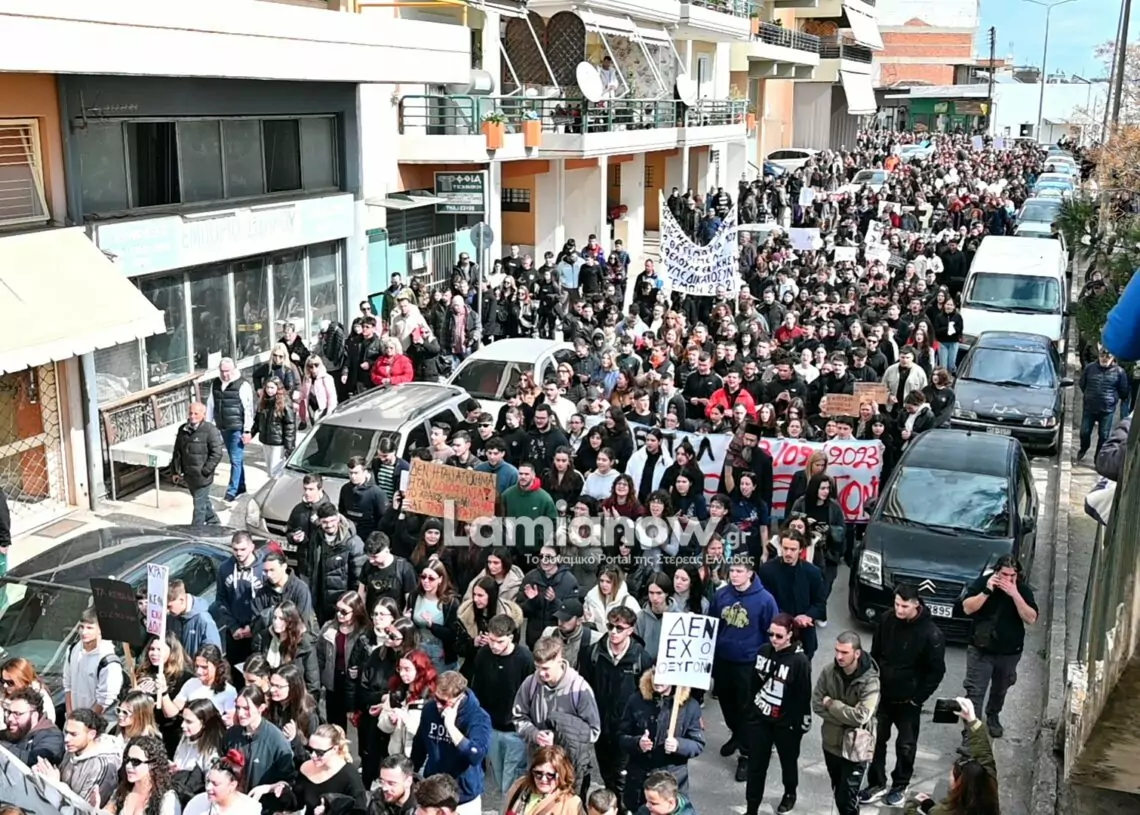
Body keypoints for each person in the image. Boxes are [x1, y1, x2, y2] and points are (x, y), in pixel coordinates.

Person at [862, 583, 947, 806]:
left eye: (904, 606)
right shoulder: (886, 620)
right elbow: (875, 654)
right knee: (876, 740)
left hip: (909, 701)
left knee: (906, 745)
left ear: (916, 604)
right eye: (897, 604)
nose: (899, 610)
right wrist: (873, 684)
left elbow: (936, 671)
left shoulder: (931, 634)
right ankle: (876, 783)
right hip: (883, 695)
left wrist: (918, 698)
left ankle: (900, 785)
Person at [708, 555, 779, 782]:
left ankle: (747, 755)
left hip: (748, 664)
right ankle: (736, 735)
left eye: (739, 571)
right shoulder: (721, 595)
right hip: (723, 660)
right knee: (727, 705)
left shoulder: (765, 600)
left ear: (750, 573)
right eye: (732, 571)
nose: (734, 575)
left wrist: (768, 665)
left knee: (747, 710)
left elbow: (771, 634)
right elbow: (712, 625)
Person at [512, 635, 601, 802]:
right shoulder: (530, 684)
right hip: (539, 769)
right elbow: (518, 717)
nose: (541, 673)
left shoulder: (579, 689)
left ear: (560, 661)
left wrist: (560, 738)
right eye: (538, 667)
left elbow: (593, 732)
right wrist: (534, 734)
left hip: (569, 771)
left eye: (546, 668)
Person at [960, 554, 1038, 738]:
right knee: (975, 692)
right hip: (981, 649)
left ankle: (993, 715)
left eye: (1013, 575)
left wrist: (1015, 594)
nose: (1008, 579)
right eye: (1005, 574)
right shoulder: (983, 583)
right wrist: (986, 592)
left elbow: (1031, 618)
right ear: (996, 572)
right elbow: (967, 608)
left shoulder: (1023, 590)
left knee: (1000, 689)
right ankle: (971, 736)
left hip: (1009, 652)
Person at [744, 613, 812, 815]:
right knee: (756, 766)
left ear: (790, 634)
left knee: (788, 762)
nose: (774, 639)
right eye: (771, 634)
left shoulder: (800, 661)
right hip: (761, 718)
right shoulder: (764, 651)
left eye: (779, 636)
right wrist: (751, 710)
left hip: (786, 724)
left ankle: (790, 793)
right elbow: (753, 683)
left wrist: (798, 725)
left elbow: (803, 696)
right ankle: (751, 809)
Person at [578, 606, 647, 800]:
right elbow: (585, 689)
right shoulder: (592, 653)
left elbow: (646, 695)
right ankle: (613, 805)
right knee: (607, 773)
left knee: (622, 777)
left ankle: (621, 808)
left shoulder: (641, 658)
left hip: (626, 729)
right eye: (610, 626)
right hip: (600, 725)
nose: (614, 632)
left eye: (620, 628)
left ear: (630, 630)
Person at [618, 668, 704, 815]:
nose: (658, 680)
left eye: (664, 675)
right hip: (639, 781)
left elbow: (698, 743)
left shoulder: (690, 706)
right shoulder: (636, 700)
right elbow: (621, 736)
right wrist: (637, 743)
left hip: (670, 784)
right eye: (655, 673)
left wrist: (679, 745)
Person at [812, 631, 881, 815]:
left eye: (844, 652)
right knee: (838, 790)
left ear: (857, 653)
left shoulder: (870, 681)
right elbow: (816, 704)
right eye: (837, 650)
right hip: (831, 743)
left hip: (857, 748)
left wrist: (831, 704)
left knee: (847, 798)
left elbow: (861, 717)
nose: (839, 656)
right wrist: (846, 718)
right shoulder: (829, 671)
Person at [469, 614, 534, 796]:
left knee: (510, 782)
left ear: (511, 637)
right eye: (491, 640)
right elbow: (477, 689)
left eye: (499, 641)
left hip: (516, 730)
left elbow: (532, 695)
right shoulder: (483, 655)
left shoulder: (525, 659)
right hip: (491, 728)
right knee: (500, 777)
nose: (494, 646)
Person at [411, 671, 492, 815]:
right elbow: (419, 746)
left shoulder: (478, 717)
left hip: (464, 796)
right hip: (434, 792)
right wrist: (411, 775)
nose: (438, 705)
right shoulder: (430, 710)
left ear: (460, 698)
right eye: (436, 698)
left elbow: (476, 755)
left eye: (444, 702)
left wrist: (451, 727)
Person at [902, 699, 999, 815]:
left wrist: (912, 804)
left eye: (952, 775)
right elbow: (984, 754)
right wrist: (972, 721)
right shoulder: (993, 796)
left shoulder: (943, 812)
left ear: (958, 784)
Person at [253, 724, 367, 815]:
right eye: (311, 750)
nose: (313, 755)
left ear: (335, 749)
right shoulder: (306, 768)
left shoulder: (350, 777)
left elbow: (359, 811)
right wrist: (284, 793)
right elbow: (297, 803)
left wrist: (329, 811)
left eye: (319, 752)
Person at [756, 530, 826, 658]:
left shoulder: (812, 573)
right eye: (785, 548)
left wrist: (808, 616)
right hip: (775, 636)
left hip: (804, 638)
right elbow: (763, 602)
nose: (788, 553)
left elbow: (820, 604)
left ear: (801, 550)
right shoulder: (767, 570)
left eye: (793, 549)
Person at [33, 707, 121, 807]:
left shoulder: (103, 766)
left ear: (91, 734)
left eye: (74, 734)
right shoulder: (72, 750)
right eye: (66, 732)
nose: (66, 739)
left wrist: (56, 784)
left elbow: (84, 809)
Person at [205, 357, 256, 502]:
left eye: (227, 371)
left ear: (234, 369)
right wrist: (208, 426)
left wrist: (247, 430)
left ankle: (232, 491)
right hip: (222, 426)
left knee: (235, 459)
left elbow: (248, 409)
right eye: (222, 371)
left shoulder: (242, 385)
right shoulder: (215, 383)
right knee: (237, 459)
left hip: (236, 427)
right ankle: (241, 486)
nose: (225, 374)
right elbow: (211, 405)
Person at [214, 531, 266, 666]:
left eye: (243, 549)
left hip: (258, 632)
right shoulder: (225, 568)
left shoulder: (263, 569)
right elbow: (221, 599)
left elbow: (268, 603)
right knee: (234, 671)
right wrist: (233, 627)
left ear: (252, 547)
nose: (239, 553)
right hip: (235, 633)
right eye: (235, 549)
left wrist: (253, 626)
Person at [170, 401, 224, 526]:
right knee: (202, 500)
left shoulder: (210, 430)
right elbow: (177, 452)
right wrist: (175, 471)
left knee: (199, 507)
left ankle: (196, 530)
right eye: (190, 413)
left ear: (203, 415)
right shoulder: (183, 429)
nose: (192, 416)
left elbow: (217, 453)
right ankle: (213, 520)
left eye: (196, 413)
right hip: (189, 476)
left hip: (203, 477)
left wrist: (205, 470)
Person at [64, 607, 124, 718]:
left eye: (90, 628)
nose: (84, 632)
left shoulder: (108, 660)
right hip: (73, 718)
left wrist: (85, 722)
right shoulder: (73, 649)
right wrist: (70, 714)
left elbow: (105, 700)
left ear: (101, 630)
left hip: (96, 721)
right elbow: (68, 685)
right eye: (81, 627)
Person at [1078, 348, 1130, 461]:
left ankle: (1097, 458)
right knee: (1084, 432)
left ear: (1113, 358)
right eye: (1102, 356)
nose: (1104, 359)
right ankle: (1083, 448)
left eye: (1108, 356)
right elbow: (1082, 384)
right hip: (1089, 408)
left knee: (1104, 436)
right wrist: (1088, 395)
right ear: (1098, 356)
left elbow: (1124, 391)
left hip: (1107, 410)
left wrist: (1113, 399)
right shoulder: (1090, 368)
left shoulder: (1119, 372)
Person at [501, 745, 584, 815]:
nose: (543, 779)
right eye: (538, 773)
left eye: (550, 775)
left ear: (560, 775)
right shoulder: (520, 786)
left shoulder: (571, 803)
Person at [183, 750, 261, 815]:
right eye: (208, 781)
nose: (208, 787)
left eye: (215, 784)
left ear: (232, 785)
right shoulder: (197, 803)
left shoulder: (250, 809)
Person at [2, 686, 64, 766]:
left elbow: (37, 760)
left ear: (34, 715)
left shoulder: (53, 737)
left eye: (17, 714)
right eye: (9, 712)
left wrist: (3, 748)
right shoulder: (13, 731)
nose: (10, 718)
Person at [251, 376, 296, 480]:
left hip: (278, 442)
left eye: (272, 388)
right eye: (267, 387)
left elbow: (290, 425)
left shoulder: (285, 402)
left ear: (278, 388)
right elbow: (258, 420)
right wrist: (251, 433)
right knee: (270, 470)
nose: (269, 390)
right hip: (266, 440)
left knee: (275, 471)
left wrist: (289, 446)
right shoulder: (264, 401)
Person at [166, 579, 223, 659]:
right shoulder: (172, 617)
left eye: (169, 606)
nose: (167, 611)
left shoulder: (204, 620)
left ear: (181, 600)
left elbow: (213, 655)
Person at [339, 456, 389, 544]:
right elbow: (342, 511)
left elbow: (383, 520)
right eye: (350, 473)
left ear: (365, 472)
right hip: (348, 537)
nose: (353, 476)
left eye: (356, 473)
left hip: (368, 538)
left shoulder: (376, 493)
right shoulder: (345, 489)